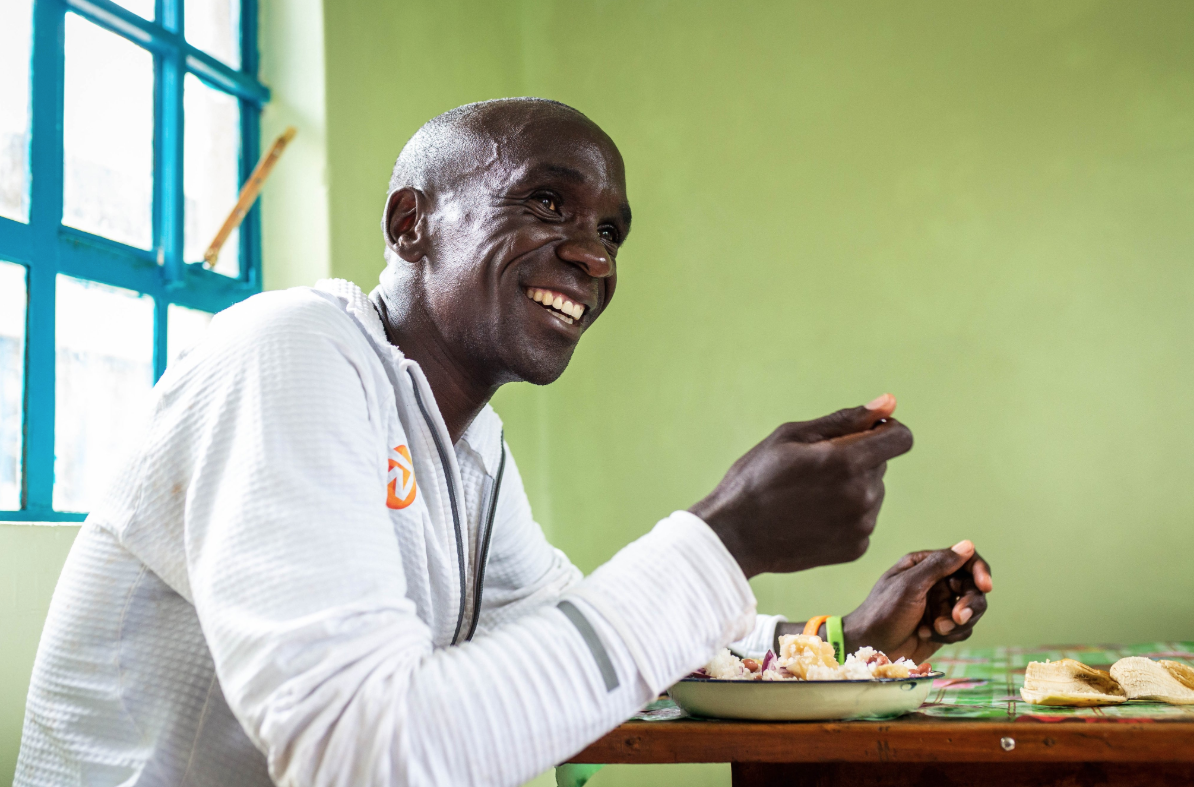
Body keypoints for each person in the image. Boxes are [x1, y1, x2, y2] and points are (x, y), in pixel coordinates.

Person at [15, 98, 991, 787]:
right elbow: (366, 758)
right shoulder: (289, 355)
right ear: (412, 221)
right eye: (548, 204)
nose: (595, 256)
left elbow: (578, 631)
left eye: (613, 231)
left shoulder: (470, 448)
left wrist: (840, 643)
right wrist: (726, 537)